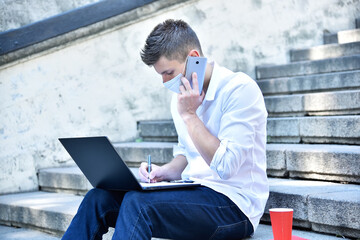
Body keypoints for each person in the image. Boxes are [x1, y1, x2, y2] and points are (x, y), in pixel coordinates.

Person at [62, 19, 268, 240]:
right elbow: (187, 154)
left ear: (194, 59)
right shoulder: (178, 98)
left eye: (169, 72)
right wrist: (165, 172)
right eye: (160, 74)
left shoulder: (238, 89)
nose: (164, 81)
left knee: (137, 204)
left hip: (234, 206)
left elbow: (226, 167)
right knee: (99, 198)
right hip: (194, 192)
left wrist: (190, 116)